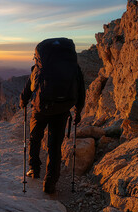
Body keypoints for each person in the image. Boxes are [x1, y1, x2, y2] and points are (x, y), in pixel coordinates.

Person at [20, 38, 86, 194]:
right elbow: (81, 90)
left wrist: (23, 100)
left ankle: (34, 169)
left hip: (40, 109)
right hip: (62, 110)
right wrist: (78, 111)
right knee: (54, 146)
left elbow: (30, 85)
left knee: (35, 138)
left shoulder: (39, 67)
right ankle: (50, 183)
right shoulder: (73, 68)